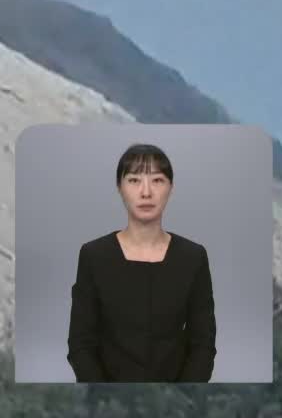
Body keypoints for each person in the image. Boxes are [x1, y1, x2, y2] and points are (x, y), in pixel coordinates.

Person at [66, 142, 217, 382]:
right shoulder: (94, 256)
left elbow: (203, 343)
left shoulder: (193, 257)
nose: (146, 192)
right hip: (106, 398)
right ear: (119, 187)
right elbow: (80, 343)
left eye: (157, 180)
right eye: (134, 180)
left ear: (170, 187)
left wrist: (183, 392)